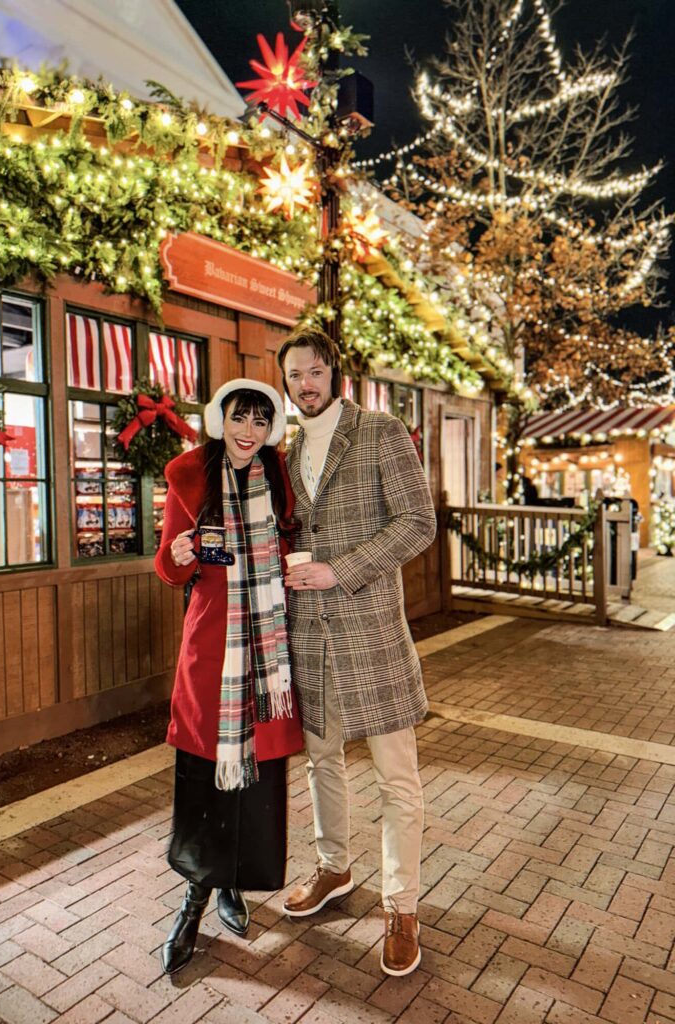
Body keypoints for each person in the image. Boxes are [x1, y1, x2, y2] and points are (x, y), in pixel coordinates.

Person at [276, 326, 436, 977]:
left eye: (313, 372)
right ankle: (334, 867)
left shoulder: (380, 431)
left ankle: (402, 906)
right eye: (293, 377)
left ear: (333, 373)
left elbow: (418, 522)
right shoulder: (284, 454)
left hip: (371, 635)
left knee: (398, 779)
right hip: (310, 639)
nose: (304, 385)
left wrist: (341, 569)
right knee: (321, 763)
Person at [154, 379, 303, 975]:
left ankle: (231, 885)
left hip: (266, 657)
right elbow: (166, 565)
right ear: (222, 419)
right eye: (240, 419)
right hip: (212, 649)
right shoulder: (190, 477)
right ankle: (194, 896)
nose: (249, 432)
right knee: (202, 778)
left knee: (257, 779)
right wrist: (182, 552)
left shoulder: (283, 480)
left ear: (270, 430)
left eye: (260, 423)